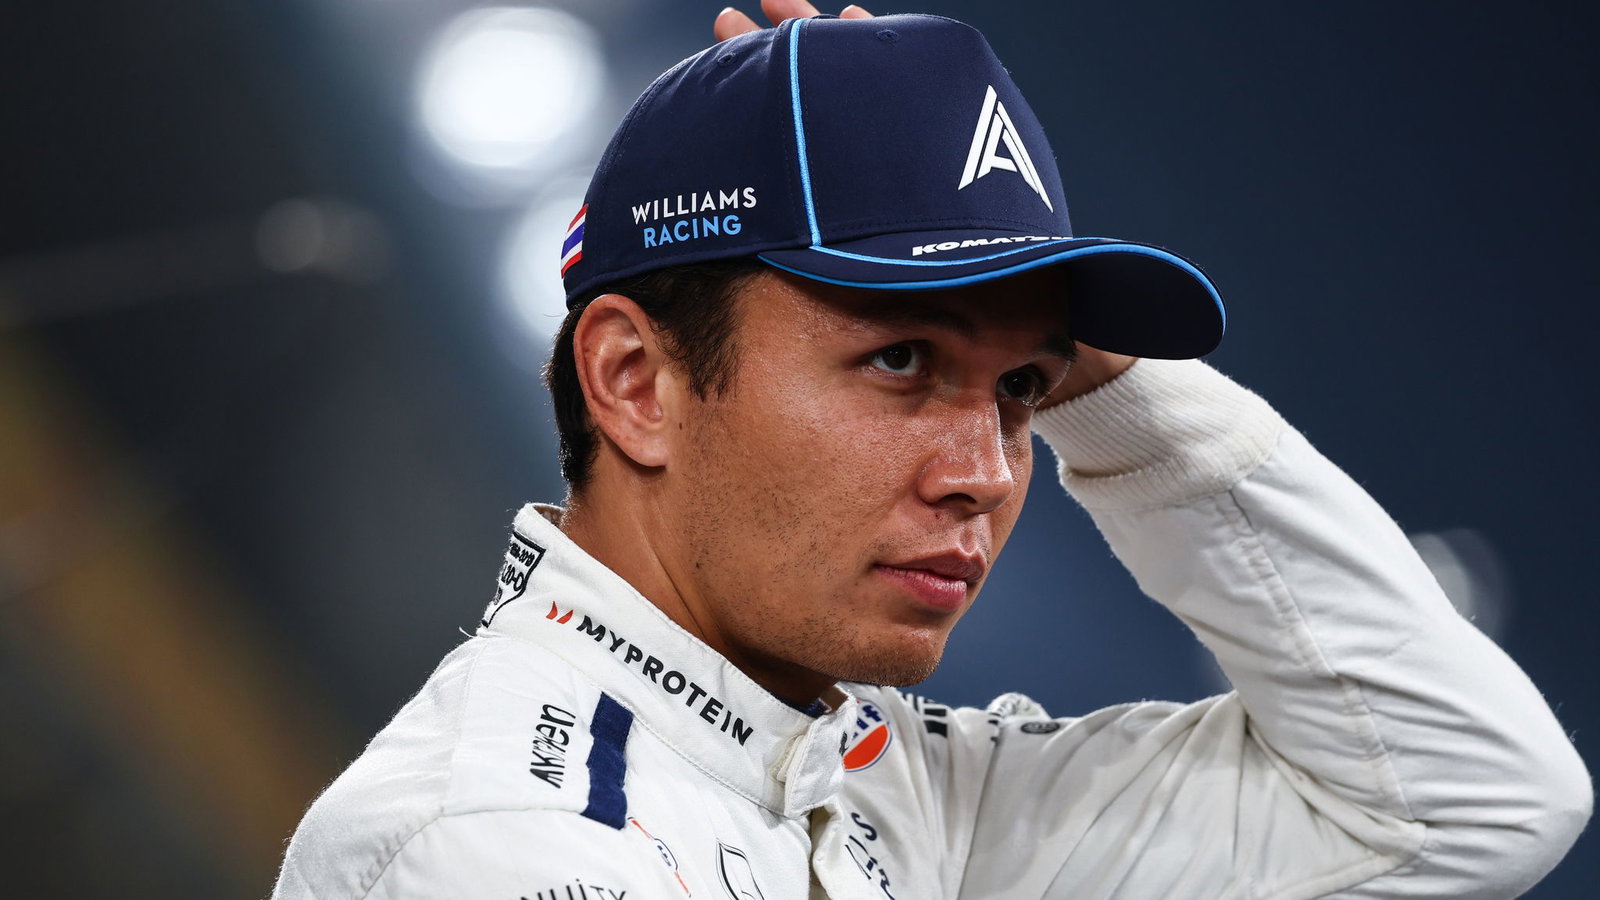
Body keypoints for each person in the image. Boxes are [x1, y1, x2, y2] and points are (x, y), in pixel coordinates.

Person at [271, 4, 1591, 898]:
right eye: (900, 360)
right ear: (635, 382)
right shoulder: (490, 843)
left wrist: (1110, 383)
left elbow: (1471, 799)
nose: (989, 469)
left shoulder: (905, 792)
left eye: (1024, 386)